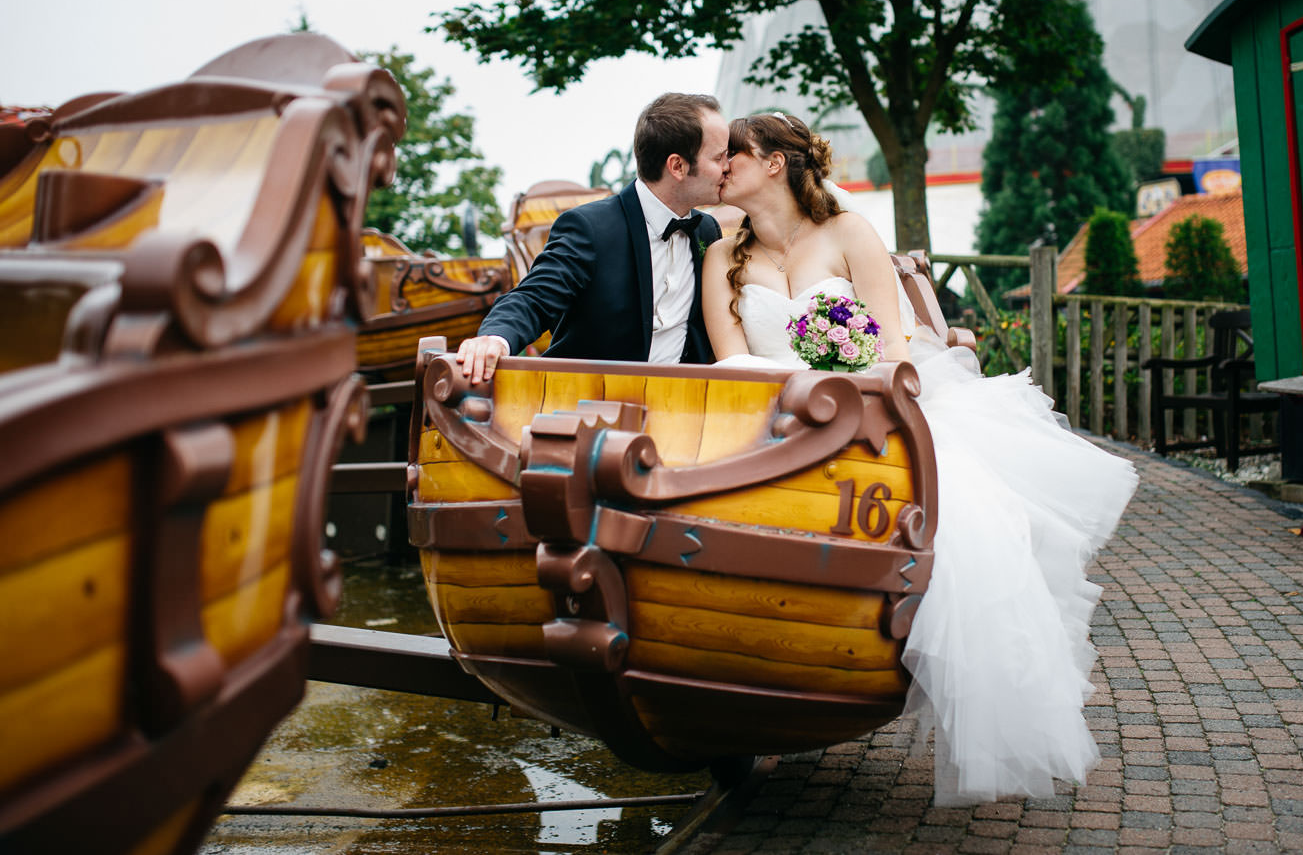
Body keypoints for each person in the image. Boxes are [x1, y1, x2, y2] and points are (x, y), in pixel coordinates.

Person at [702, 112, 1139, 805]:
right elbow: (730, 363)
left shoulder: (848, 234)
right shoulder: (723, 255)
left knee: (965, 532)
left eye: (733, 155)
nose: (719, 166)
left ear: (776, 163)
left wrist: (840, 376)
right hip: (768, 424)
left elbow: (896, 349)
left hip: (869, 413)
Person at [457, 93, 728, 383]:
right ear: (677, 166)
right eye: (719, 157)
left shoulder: (707, 231)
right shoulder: (590, 227)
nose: (728, 165)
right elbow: (535, 297)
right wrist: (495, 337)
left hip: (680, 409)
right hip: (586, 406)